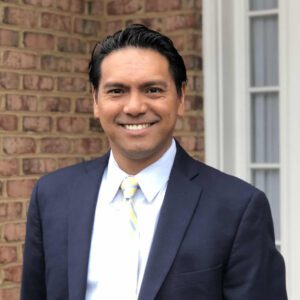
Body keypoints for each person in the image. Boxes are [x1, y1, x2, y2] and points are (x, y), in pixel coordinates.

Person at [21, 24, 287, 300]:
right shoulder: (52, 196)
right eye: (116, 91)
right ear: (95, 101)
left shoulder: (238, 208)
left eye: (152, 90)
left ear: (181, 97)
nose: (135, 107)